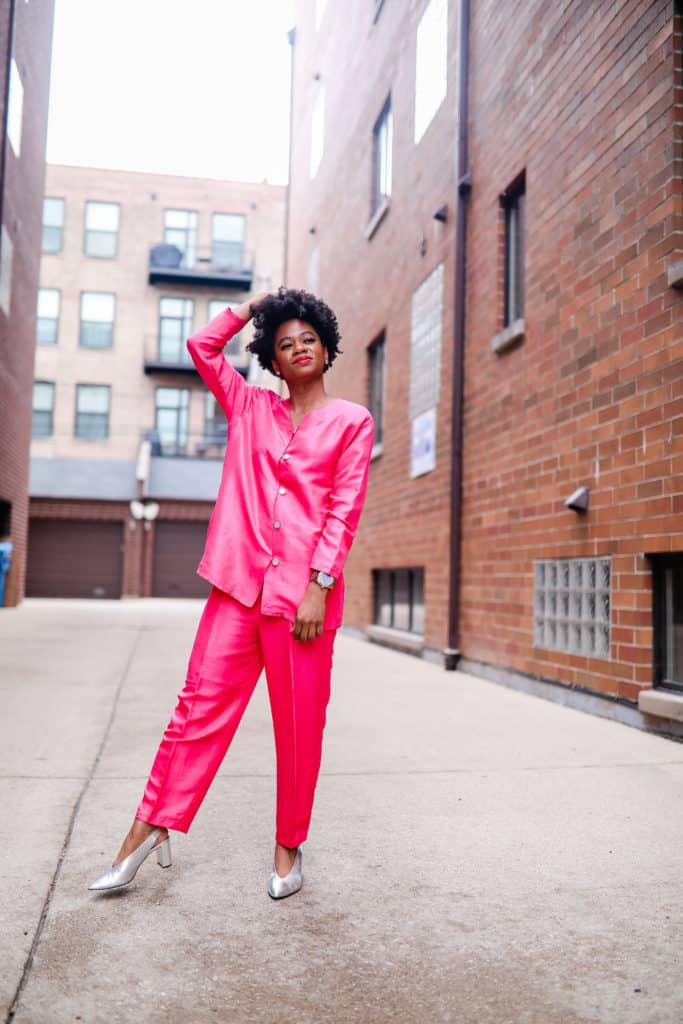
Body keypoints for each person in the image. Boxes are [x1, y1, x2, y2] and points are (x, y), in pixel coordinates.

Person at [88, 287, 374, 899]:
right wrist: (253, 308)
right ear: (272, 357)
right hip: (237, 588)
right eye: (285, 342)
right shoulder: (249, 407)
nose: (298, 348)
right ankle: (147, 831)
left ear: (326, 350)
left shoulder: (352, 422)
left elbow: (344, 509)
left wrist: (319, 586)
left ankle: (288, 846)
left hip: (301, 601)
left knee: (299, 730)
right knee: (194, 712)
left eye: (308, 340)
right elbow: (200, 345)